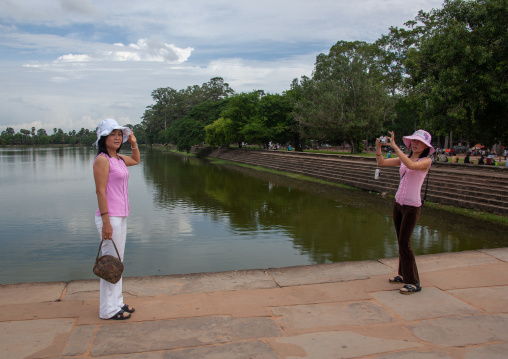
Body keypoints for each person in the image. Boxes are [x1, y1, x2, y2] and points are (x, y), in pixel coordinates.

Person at [375, 129, 433, 295]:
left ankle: (414, 282)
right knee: (400, 241)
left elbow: (411, 165)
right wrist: (379, 148)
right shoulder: (405, 159)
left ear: (426, 146)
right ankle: (402, 273)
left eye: (419, 142)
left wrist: (395, 147)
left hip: (412, 207)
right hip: (398, 203)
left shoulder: (426, 161)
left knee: (404, 243)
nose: (415, 144)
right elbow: (382, 163)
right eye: (413, 141)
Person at [93, 119, 140, 320]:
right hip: (109, 217)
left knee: (118, 262)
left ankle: (117, 303)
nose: (117, 137)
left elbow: (136, 160)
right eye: (113, 134)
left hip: (121, 216)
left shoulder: (118, 158)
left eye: (120, 134)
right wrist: (106, 222)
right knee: (110, 263)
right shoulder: (102, 160)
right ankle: (107, 310)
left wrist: (134, 143)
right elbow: (100, 191)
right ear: (104, 138)